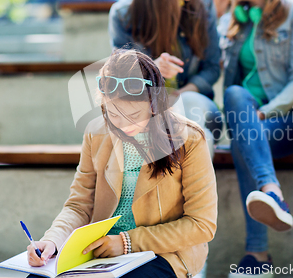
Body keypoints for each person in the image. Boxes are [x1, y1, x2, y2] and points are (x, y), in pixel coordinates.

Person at [26, 49, 218, 278]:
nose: (123, 125)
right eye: (114, 115)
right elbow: (79, 205)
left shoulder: (190, 138)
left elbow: (201, 224)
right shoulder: (96, 133)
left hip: (164, 254)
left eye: (135, 115)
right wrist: (52, 240)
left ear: (155, 104)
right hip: (100, 253)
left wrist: (127, 242)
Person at [213, 0, 293, 276]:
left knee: (244, 136)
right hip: (248, 119)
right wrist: (216, 20)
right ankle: (272, 193)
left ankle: (257, 256)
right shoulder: (233, 21)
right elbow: (219, 77)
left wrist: (267, 112)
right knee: (235, 93)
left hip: (290, 117)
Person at [108, 0, 223, 157]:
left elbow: (212, 68)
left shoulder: (204, 4)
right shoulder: (124, 14)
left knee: (188, 117)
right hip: (147, 110)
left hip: (195, 104)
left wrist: (179, 94)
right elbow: (118, 77)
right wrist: (152, 69)